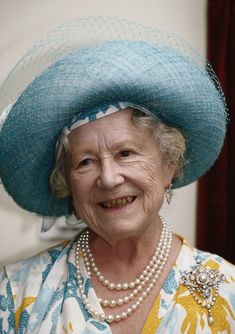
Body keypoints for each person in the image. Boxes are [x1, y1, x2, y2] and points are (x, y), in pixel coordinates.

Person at [0, 17, 234, 334]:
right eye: (85, 162)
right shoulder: (14, 294)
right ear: (66, 182)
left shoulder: (227, 290)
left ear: (169, 165)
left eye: (125, 153)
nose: (108, 179)